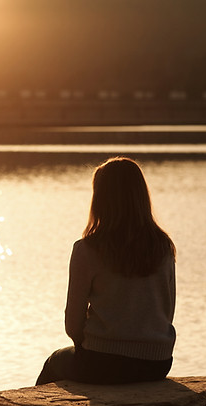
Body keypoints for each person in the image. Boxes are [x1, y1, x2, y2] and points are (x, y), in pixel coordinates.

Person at [36, 157, 176, 385]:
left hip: (102, 361)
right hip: (157, 364)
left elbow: (73, 324)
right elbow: (167, 312)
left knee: (54, 362)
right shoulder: (163, 246)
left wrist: (91, 344)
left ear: (100, 199)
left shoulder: (87, 249)